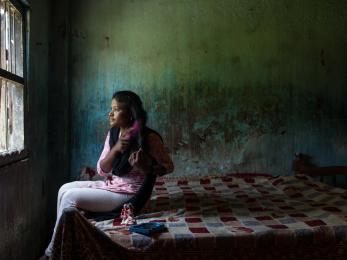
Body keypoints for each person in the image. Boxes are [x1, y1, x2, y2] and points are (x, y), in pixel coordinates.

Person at [39, 90, 174, 259]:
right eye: (111, 108)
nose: (110, 113)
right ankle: (57, 243)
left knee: (70, 197)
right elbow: (102, 169)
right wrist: (117, 148)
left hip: (131, 196)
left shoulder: (149, 138)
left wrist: (148, 166)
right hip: (112, 185)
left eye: (116, 109)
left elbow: (168, 166)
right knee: (64, 189)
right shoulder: (113, 134)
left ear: (130, 113)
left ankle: (52, 252)